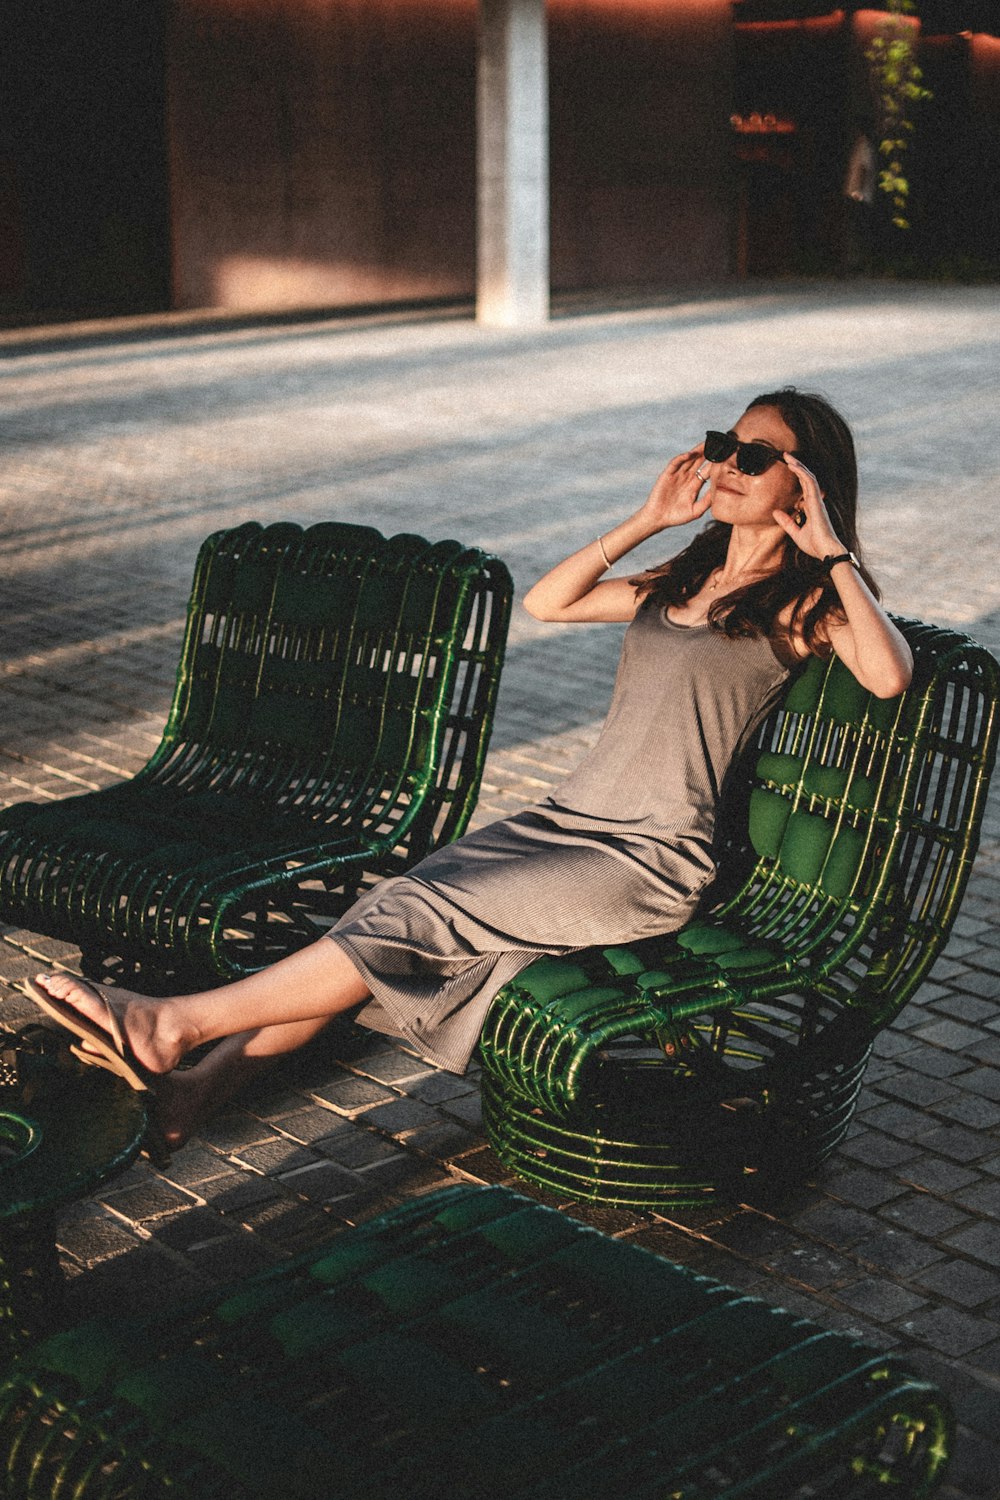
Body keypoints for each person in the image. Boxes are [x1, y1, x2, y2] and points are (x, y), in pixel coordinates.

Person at [26, 388, 912, 1157]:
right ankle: (193, 1094)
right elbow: (549, 602)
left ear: (805, 481)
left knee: (411, 913)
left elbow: (890, 673)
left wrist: (830, 546)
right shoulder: (678, 579)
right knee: (381, 917)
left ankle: (173, 1022)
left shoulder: (805, 606)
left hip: (648, 857)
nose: (724, 465)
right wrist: (650, 518)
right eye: (723, 444)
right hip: (568, 822)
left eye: (753, 456)